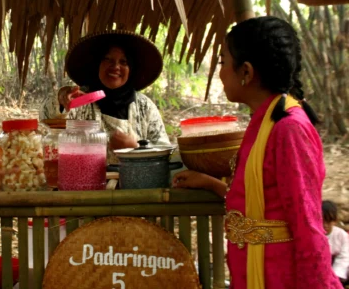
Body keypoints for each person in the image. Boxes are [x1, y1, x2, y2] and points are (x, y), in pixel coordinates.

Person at [172, 16, 341, 289]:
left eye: (223, 62)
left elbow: (306, 223)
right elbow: (263, 204)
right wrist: (214, 185)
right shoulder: (262, 123)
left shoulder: (288, 129)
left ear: (246, 72)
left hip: (279, 276)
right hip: (253, 273)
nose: (220, 73)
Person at [41, 30, 170, 152]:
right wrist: (60, 99)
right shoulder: (79, 98)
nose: (115, 67)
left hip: (134, 175)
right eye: (108, 59)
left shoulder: (144, 107)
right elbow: (46, 122)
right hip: (82, 175)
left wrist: (135, 148)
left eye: (123, 62)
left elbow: (163, 150)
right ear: (97, 64)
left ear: (131, 69)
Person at [323, 200, 349, 285]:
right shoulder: (315, 235)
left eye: (329, 221)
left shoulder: (341, 235)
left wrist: (335, 276)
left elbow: (344, 256)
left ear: (335, 221)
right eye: (323, 221)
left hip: (338, 270)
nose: (325, 225)